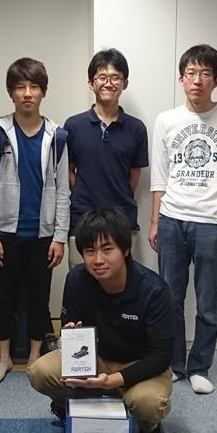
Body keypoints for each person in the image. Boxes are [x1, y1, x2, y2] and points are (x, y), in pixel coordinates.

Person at [27, 208, 173, 433]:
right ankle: (67, 406)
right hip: (96, 357)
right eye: (89, 251)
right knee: (39, 371)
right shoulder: (76, 279)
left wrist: (113, 380)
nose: (98, 260)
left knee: (148, 403)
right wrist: (70, 335)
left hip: (141, 364)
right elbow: (68, 330)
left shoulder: (153, 290)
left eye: (107, 249)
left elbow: (161, 356)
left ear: (125, 250)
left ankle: (149, 426)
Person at [148, 44, 217, 394]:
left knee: (207, 300)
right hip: (172, 218)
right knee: (170, 298)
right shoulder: (166, 120)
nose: (197, 80)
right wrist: (156, 221)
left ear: (215, 80)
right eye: (191, 73)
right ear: (181, 78)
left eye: (205, 74)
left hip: (212, 222)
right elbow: (160, 177)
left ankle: (200, 366)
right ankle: (175, 364)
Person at [0, 57, 70, 383]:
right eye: (20, 87)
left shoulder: (57, 135)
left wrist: (60, 235)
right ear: (11, 92)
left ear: (44, 91)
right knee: (2, 297)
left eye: (34, 87)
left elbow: (63, 189)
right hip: (5, 231)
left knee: (39, 298)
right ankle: (3, 358)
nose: (27, 93)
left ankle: (34, 355)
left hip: (42, 233)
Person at [63, 48, 148, 268]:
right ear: (91, 83)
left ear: (124, 83)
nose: (108, 83)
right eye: (102, 77)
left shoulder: (137, 128)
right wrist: (83, 189)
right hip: (82, 219)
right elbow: (67, 169)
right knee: (80, 280)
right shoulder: (73, 125)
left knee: (120, 282)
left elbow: (134, 175)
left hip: (122, 221)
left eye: (115, 77)